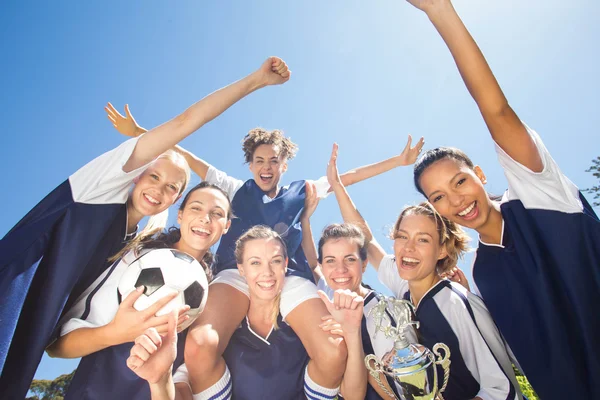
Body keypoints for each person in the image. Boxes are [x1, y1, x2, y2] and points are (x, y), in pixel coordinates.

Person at [0, 55, 290, 399]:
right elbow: (183, 124)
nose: (160, 189)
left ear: (226, 226)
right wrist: (256, 80)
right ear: (179, 213)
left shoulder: (194, 278)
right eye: (153, 176)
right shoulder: (122, 229)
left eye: (172, 188)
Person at [106, 97, 425, 396]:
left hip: (289, 276)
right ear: (250, 164)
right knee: (200, 345)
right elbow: (189, 158)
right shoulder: (233, 189)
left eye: (274, 160)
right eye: (259, 160)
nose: (267, 167)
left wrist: (397, 161)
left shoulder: (303, 191)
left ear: (284, 165)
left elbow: (348, 177)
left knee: (332, 350)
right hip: (236, 274)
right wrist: (139, 133)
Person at [406, 1, 600, 398]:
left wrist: (439, 11)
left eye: (460, 181)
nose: (456, 200)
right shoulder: (483, 272)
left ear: (480, 174)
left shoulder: (538, 194)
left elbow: (496, 111)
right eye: (439, 197)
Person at [318, 144, 522, 400]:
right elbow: (366, 240)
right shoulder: (406, 286)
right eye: (402, 237)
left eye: (423, 240)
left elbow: (501, 389)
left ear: (442, 251)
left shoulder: (454, 301)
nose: (408, 248)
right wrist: (337, 185)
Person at [46, 182, 231, 399]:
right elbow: (58, 346)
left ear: (226, 226)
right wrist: (116, 333)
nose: (205, 218)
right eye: (196, 208)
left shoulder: (212, 290)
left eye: (216, 213)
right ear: (180, 215)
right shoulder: (135, 259)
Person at [127, 225, 342, 400]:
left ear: (286, 264)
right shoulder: (210, 345)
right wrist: (160, 380)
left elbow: (335, 364)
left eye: (275, 261)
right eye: (255, 263)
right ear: (241, 269)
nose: (266, 272)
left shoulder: (299, 326)